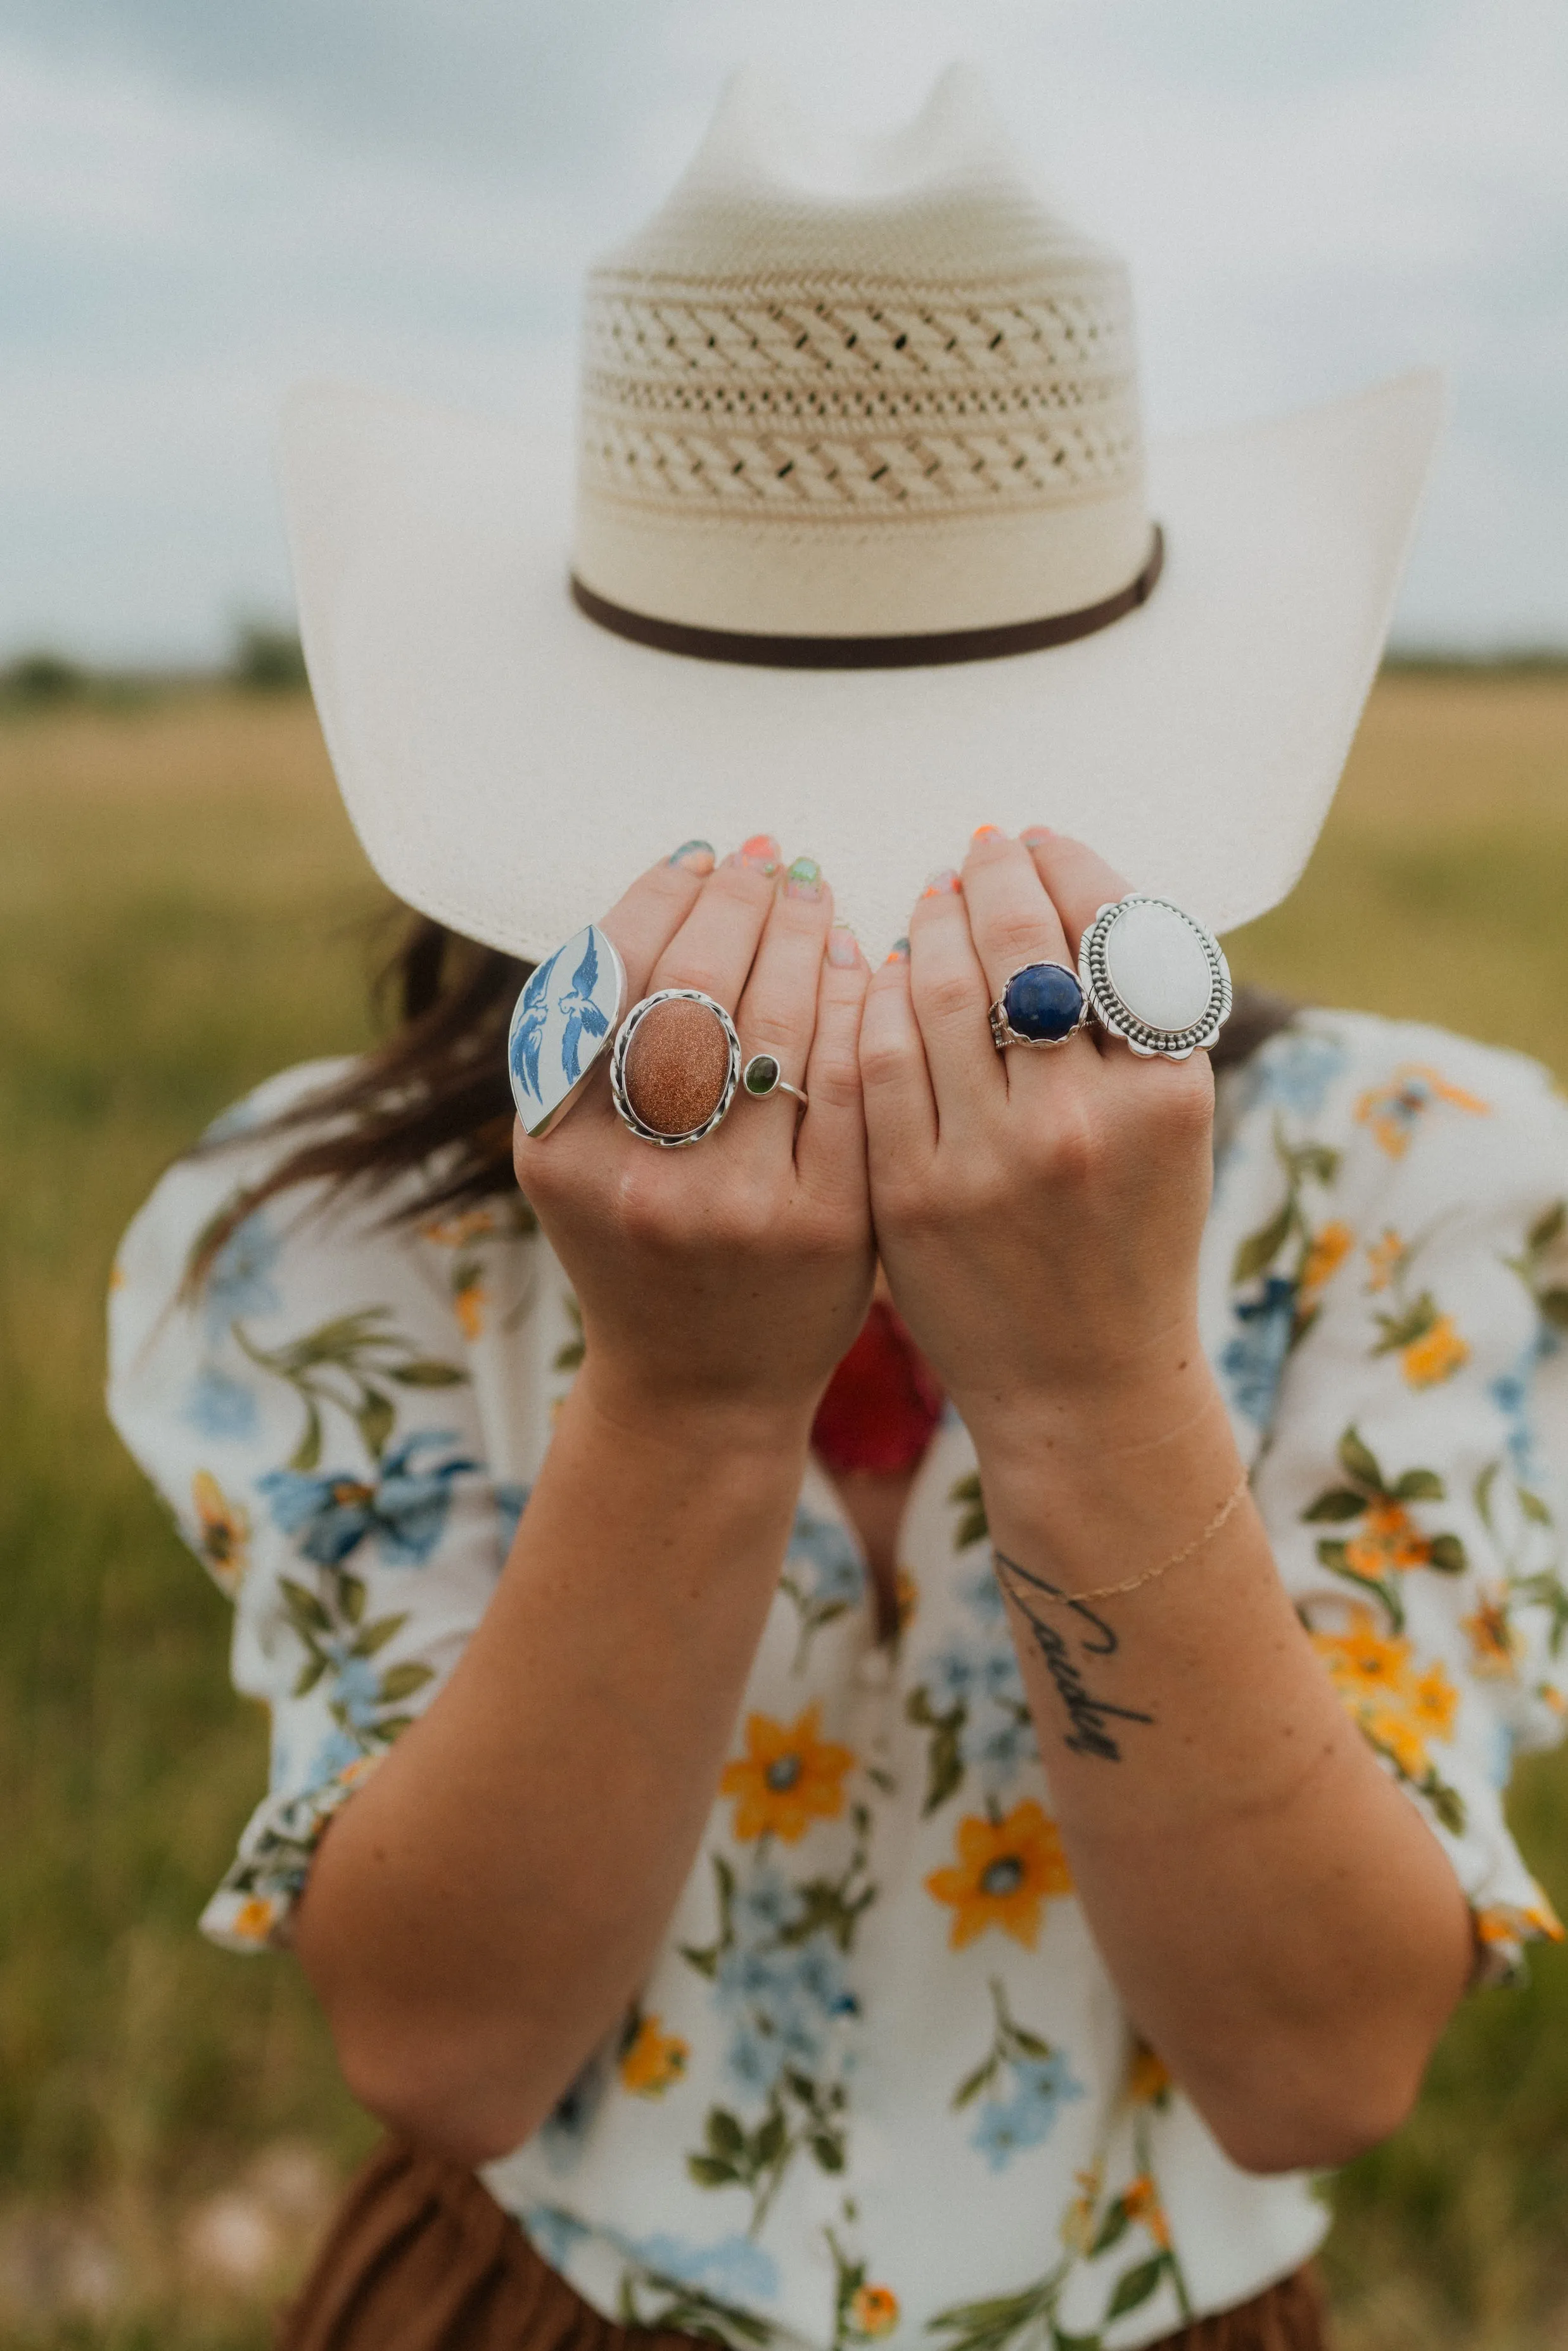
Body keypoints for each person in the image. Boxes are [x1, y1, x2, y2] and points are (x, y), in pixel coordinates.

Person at [108, 67, 1568, 2351]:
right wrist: (686, 1405)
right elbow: (444, 2053)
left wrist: (1093, 1380)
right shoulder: (324, 1229)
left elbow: (1321, 2064)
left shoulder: (1421, 1186)